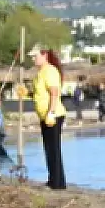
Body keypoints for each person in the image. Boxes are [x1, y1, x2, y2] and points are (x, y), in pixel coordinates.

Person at [32, 47, 66, 190]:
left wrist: (51, 112)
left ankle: (57, 182)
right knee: (48, 148)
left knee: (53, 148)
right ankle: (54, 179)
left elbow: (54, 92)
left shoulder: (50, 71)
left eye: (35, 56)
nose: (33, 59)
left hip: (53, 114)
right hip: (44, 115)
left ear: (44, 55)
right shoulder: (41, 72)